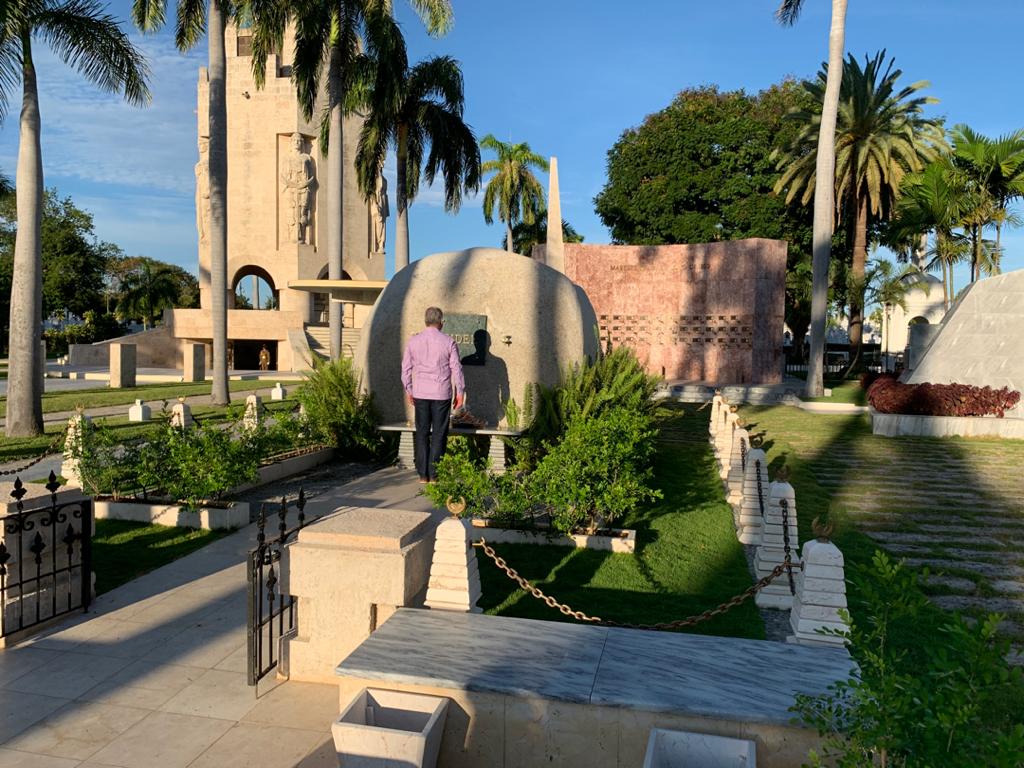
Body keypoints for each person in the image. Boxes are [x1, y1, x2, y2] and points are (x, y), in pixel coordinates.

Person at [401, 307, 466, 483]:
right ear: (441, 322)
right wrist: (460, 392)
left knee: (421, 432)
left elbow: (405, 369)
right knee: (439, 433)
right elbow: (456, 369)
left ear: (425, 321)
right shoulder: (449, 342)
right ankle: (434, 474)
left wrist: (409, 390)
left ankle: (423, 474)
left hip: (420, 393)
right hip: (441, 393)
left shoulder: (413, 341)